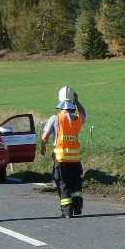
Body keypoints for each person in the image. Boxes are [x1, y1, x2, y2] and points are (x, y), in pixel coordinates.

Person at [40, 86, 87, 218]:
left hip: (60, 159)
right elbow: (83, 113)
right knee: (76, 184)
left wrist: (42, 147)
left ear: (60, 103)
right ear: (72, 103)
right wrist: (77, 101)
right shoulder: (78, 119)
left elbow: (45, 137)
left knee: (63, 184)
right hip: (75, 159)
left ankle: (67, 212)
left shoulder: (55, 118)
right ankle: (78, 207)